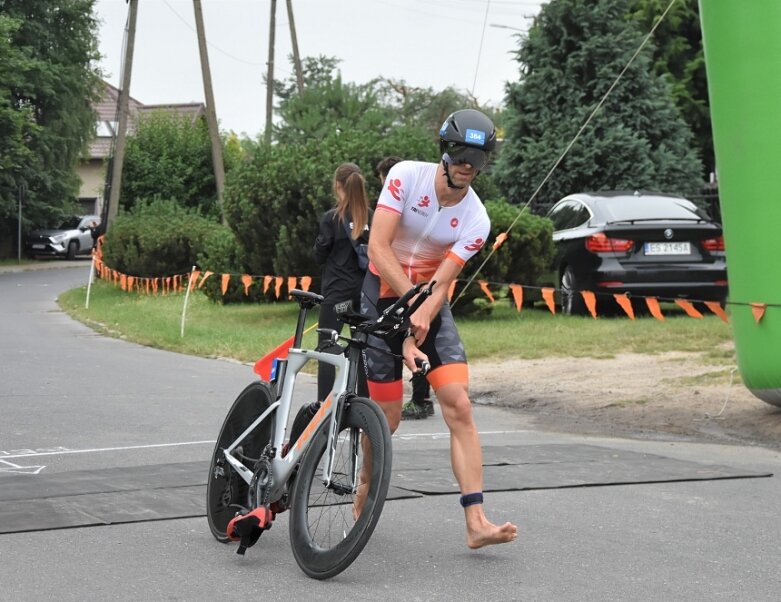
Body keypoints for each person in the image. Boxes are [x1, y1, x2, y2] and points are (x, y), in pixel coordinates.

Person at [360, 109, 518, 548]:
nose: (468, 166)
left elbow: (443, 281)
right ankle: (363, 491)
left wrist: (420, 319)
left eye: (478, 159)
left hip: (429, 298)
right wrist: (409, 306)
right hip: (381, 290)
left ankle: (476, 522)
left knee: (458, 404)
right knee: (386, 417)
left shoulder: (476, 219)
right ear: (445, 152)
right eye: (461, 155)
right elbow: (378, 244)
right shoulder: (405, 177)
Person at [376, 155, 435, 421]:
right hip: (398, 287)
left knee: (415, 339)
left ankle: (421, 399)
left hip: (411, 288)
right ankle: (413, 399)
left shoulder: (406, 208)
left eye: (383, 181)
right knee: (409, 342)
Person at [313, 162, 372, 401]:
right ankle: (365, 404)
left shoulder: (332, 218)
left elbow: (320, 254)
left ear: (338, 186)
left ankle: (324, 407)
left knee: (327, 348)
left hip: (339, 298)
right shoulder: (372, 217)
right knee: (363, 350)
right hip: (364, 297)